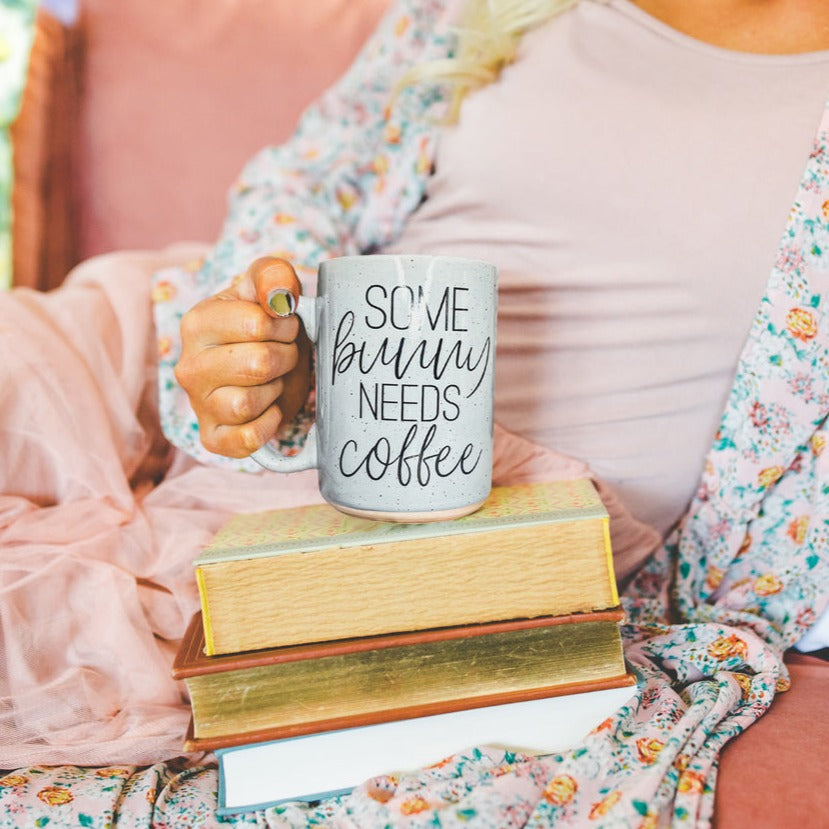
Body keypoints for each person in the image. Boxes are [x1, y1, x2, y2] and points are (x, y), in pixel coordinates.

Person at [1, 0, 827, 825]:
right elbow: (306, 181)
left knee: (54, 629)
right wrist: (262, 326)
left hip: (470, 526)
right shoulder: (478, 11)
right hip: (205, 373)